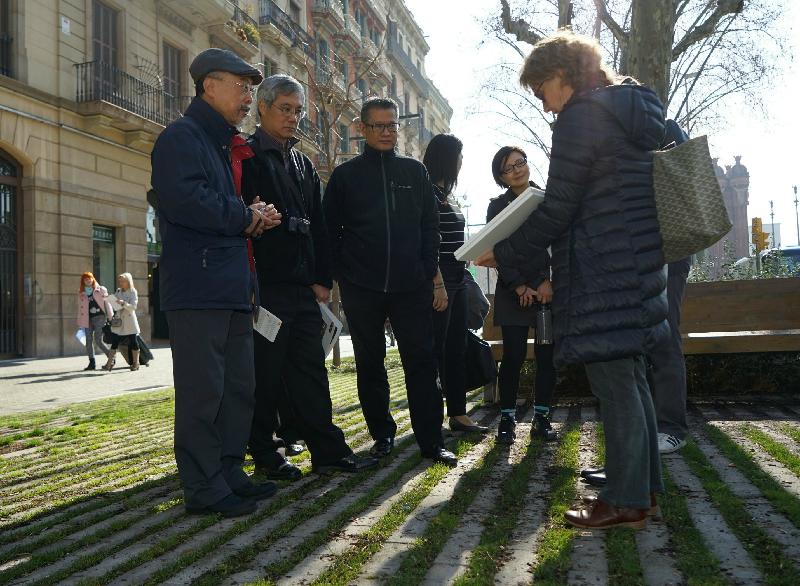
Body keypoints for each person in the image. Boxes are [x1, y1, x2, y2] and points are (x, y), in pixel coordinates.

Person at [475, 30, 668, 530]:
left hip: (604, 266)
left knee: (615, 380)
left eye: (541, 92)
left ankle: (625, 501)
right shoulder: (625, 108)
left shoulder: (581, 117)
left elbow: (559, 205)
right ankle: (644, 490)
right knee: (632, 376)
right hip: (637, 261)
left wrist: (508, 249)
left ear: (561, 75)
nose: (544, 106)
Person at [151, 48, 281, 518]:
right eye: (241, 85)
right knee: (204, 393)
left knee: (237, 388)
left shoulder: (221, 143)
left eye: (252, 87)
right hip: (199, 289)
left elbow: (215, 207)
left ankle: (228, 472)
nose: (249, 95)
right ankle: (203, 487)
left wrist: (251, 216)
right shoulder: (181, 137)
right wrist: (246, 216)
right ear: (209, 85)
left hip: (229, 288)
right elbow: (187, 201)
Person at [239, 74, 378, 478]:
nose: (293, 117)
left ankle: (328, 450)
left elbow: (319, 225)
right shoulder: (246, 156)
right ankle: (264, 451)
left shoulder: (302, 162)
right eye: (286, 108)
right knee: (265, 372)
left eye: (298, 110)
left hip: (302, 287)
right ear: (262, 107)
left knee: (310, 369)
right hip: (265, 287)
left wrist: (322, 279)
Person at [324, 97, 457, 467]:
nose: (387, 132)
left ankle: (431, 441)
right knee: (370, 363)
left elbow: (430, 226)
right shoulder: (345, 176)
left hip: (411, 286)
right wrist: (341, 273)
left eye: (392, 125)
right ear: (362, 129)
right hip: (361, 287)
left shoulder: (414, 172)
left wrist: (427, 269)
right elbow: (328, 229)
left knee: (422, 363)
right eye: (379, 126)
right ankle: (382, 436)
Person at [486, 146, 557, 444]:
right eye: (509, 168)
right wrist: (518, 286)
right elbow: (496, 252)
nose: (517, 170)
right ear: (500, 177)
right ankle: (507, 420)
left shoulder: (546, 199)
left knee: (546, 356)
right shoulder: (496, 207)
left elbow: (559, 244)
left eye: (520, 163)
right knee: (513, 357)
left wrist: (547, 282)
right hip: (512, 292)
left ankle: (542, 417)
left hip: (545, 294)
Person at [423, 134, 487, 434]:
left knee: (457, 348)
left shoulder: (448, 195)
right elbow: (426, 243)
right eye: (459, 156)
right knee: (437, 351)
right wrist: (436, 282)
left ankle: (459, 414)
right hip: (441, 280)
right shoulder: (427, 194)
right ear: (447, 158)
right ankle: (431, 417)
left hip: (460, 279)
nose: (462, 162)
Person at [104, 272, 141, 371]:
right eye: (120, 281)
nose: (121, 283)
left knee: (133, 341)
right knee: (115, 341)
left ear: (128, 281)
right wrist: (110, 300)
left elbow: (133, 307)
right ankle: (110, 363)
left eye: (123, 281)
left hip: (129, 320)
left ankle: (135, 363)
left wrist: (123, 303)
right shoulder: (118, 291)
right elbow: (114, 303)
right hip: (119, 320)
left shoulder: (133, 291)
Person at [77, 272, 113, 371]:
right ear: (83, 282)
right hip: (87, 319)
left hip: (100, 317)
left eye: (89, 278)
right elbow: (80, 309)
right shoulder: (81, 293)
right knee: (88, 341)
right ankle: (91, 363)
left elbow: (107, 303)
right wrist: (80, 322)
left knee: (98, 340)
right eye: (85, 279)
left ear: (93, 279)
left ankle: (111, 357)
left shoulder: (101, 289)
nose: (88, 280)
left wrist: (110, 317)